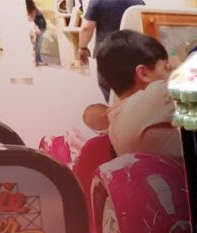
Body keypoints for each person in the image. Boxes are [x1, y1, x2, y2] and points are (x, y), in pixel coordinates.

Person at [94, 30, 181, 159]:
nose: (169, 75)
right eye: (166, 68)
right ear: (143, 74)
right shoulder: (155, 95)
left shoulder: (114, 125)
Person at [76, 0, 144, 101]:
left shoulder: (97, 1)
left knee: (109, 89)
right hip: (131, 52)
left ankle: (116, 112)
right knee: (130, 89)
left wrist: (82, 47)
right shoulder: (139, 1)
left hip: (107, 53)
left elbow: (87, 28)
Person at [25, 0, 45, 66]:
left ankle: (38, 60)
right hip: (39, 28)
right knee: (38, 46)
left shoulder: (32, 9)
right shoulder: (33, 9)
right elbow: (32, 19)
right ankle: (38, 61)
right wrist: (36, 27)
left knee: (37, 45)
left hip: (39, 28)